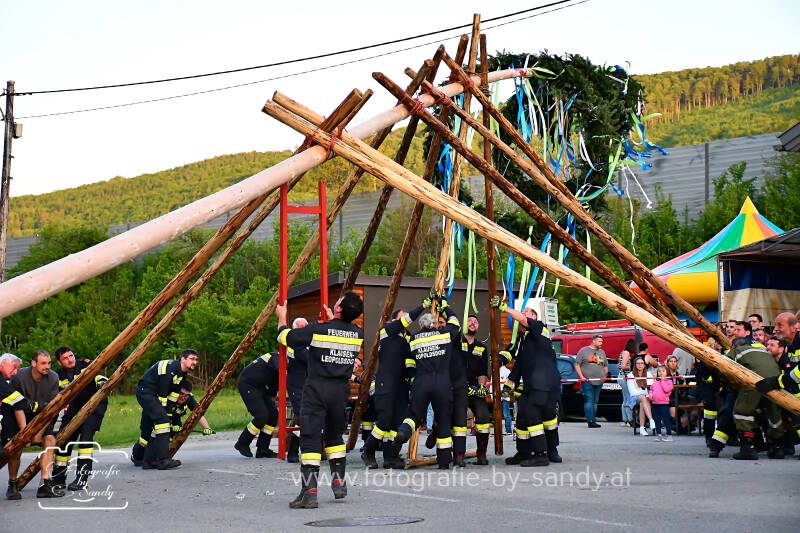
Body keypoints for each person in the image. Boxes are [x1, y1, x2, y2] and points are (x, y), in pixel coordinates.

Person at [277, 291, 364, 510]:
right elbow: (335, 334)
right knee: (334, 436)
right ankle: (338, 483)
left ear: (339, 309)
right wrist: (331, 319)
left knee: (310, 439)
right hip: (340, 390)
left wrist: (281, 317)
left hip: (316, 389)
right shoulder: (357, 333)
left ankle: (309, 493)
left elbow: (286, 337)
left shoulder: (318, 330)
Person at [392, 292, 461, 471]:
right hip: (442, 383)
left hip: (421, 383)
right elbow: (455, 322)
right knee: (444, 419)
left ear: (421, 325)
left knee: (414, 415)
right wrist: (444, 307)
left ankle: (403, 432)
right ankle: (444, 461)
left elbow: (408, 358)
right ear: (434, 325)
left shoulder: (413, 339)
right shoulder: (444, 335)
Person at [493, 299, 561, 467]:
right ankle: (524, 452)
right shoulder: (525, 340)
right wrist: (507, 384)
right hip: (536, 385)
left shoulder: (539, 327)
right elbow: (518, 365)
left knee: (536, 416)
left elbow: (523, 321)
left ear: (534, 317)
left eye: (526, 312)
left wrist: (504, 308)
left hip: (543, 384)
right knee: (523, 416)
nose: (523, 316)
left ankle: (542, 454)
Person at [361, 308, 416, 470]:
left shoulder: (408, 339)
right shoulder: (387, 331)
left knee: (396, 423)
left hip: (402, 386)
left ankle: (390, 457)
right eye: (401, 318)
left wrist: (414, 380)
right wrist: (423, 305)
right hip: (385, 384)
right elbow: (405, 321)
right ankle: (368, 451)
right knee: (384, 420)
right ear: (394, 321)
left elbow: (410, 362)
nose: (405, 320)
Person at [51, 346, 109, 491]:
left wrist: (102, 383)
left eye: (71, 356)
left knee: (86, 437)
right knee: (63, 438)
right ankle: (58, 478)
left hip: (94, 405)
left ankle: (82, 478)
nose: (70, 360)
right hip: (75, 406)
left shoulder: (85, 365)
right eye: (65, 358)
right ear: (59, 362)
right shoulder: (59, 376)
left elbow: (99, 376)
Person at [10, 350, 64, 498]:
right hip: (19, 414)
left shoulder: (53, 377)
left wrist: (39, 433)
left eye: (49, 363)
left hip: (42, 417)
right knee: (16, 446)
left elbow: (51, 410)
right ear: (33, 363)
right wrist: (25, 434)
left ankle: (44, 484)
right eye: (43, 363)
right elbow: (16, 406)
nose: (47, 366)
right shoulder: (19, 377)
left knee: (50, 439)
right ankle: (12, 483)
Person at [133, 349, 198, 470]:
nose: (194, 362)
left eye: (196, 359)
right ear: (183, 359)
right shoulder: (170, 370)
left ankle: (148, 461)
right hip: (146, 392)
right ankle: (163, 460)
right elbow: (163, 397)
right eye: (192, 359)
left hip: (154, 395)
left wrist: (169, 413)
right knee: (163, 422)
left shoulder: (182, 373)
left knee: (156, 426)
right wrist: (166, 416)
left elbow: (173, 396)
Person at [724, 337, 785, 459]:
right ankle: (777, 448)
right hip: (775, 380)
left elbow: (724, 366)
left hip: (755, 381)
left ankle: (748, 449)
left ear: (733, 347)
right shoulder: (762, 351)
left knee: (742, 412)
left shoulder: (736, 351)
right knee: (774, 414)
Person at [234, 352, 281, 458]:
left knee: (273, 415)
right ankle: (242, 443)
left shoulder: (282, 363)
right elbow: (280, 370)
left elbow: (275, 381)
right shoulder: (276, 357)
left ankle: (262, 449)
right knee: (262, 415)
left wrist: (272, 396)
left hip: (260, 386)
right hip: (247, 384)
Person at [1, 353, 32, 500]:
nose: (15, 372)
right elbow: (19, 401)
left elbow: (16, 403)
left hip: (6, 420)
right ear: (4, 362)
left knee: (16, 448)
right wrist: (35, 405)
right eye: (14, 367)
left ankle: (12, 483)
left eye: (17, 370)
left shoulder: (8, 381)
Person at [463, 314, 490, 465]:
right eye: (470, 321)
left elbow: (483, 371)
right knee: (458, 419)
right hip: (459, 387)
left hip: (474, 387)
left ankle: (482, 455)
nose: (473, 323)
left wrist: (481, 387)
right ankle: (458, 455)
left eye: (476, 322)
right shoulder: (456, 343)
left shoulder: (481, 347)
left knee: (484, 417)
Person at [286, 317, 309, 463]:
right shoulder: (294, 344)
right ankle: (293, 450)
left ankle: (317, 449)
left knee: (313, 417)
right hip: (297, 385)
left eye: (305, 326)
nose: (303, 329)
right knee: (301, 417)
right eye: (300, 327)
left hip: (310, 385)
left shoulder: (309, 343)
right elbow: (306, 358)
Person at [575, 334, 608, 428]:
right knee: (589, 399)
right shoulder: (583, 351)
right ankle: (590, 420)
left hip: (599, 381)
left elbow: (605, 365)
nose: (601, 343)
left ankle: (593, 419)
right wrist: (582, 377)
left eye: (602, 341)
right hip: (587, 380)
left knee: (595, 400)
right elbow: (577, 364)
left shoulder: (602, 352)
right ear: (594, 341)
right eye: (599, 341)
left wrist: (604, 376)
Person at [627, 358, 655, 436]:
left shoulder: (648, 374)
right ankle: (651, 420)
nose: (640, 365)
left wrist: (646, 394)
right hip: (635, 398)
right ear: (635, 365)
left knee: (643, 403)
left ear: (644, 365)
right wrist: (644, 393)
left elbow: (651, 388)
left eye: (641, 363)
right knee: (643, 397)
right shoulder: (630, 375)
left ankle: (642, 428)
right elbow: (632, 392)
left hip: (646, 398)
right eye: (638, 363)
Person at [650, 365, 674, 441]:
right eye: (659, 371)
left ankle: (669, 435)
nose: (661, 373)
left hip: (664, 404)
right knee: (657, 420)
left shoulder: (669, 382)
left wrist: (663, 381)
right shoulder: (655, 382)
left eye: (663, 371)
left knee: (666, 419)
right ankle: (659, 435)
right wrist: (650, 394)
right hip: (655, 403)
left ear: (667, 372)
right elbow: (651, 389)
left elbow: (667, 390)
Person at [617, 338, 637, 426]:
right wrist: (632, 367)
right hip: (625, 377)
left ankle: (624, 419)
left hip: (621, 377)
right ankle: (630, 419)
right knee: (629, 398)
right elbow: (623, 366)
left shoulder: (623, 352)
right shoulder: (627, 353)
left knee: (625, 399)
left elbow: (619, 365)